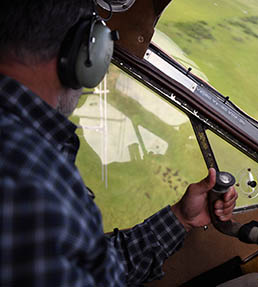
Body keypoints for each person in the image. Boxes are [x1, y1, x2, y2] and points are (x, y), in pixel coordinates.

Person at [0, 1, 240, 286]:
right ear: (87, 51)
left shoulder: (28, 157)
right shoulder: (30, 179)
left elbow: (93, 267)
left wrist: (180, 218)